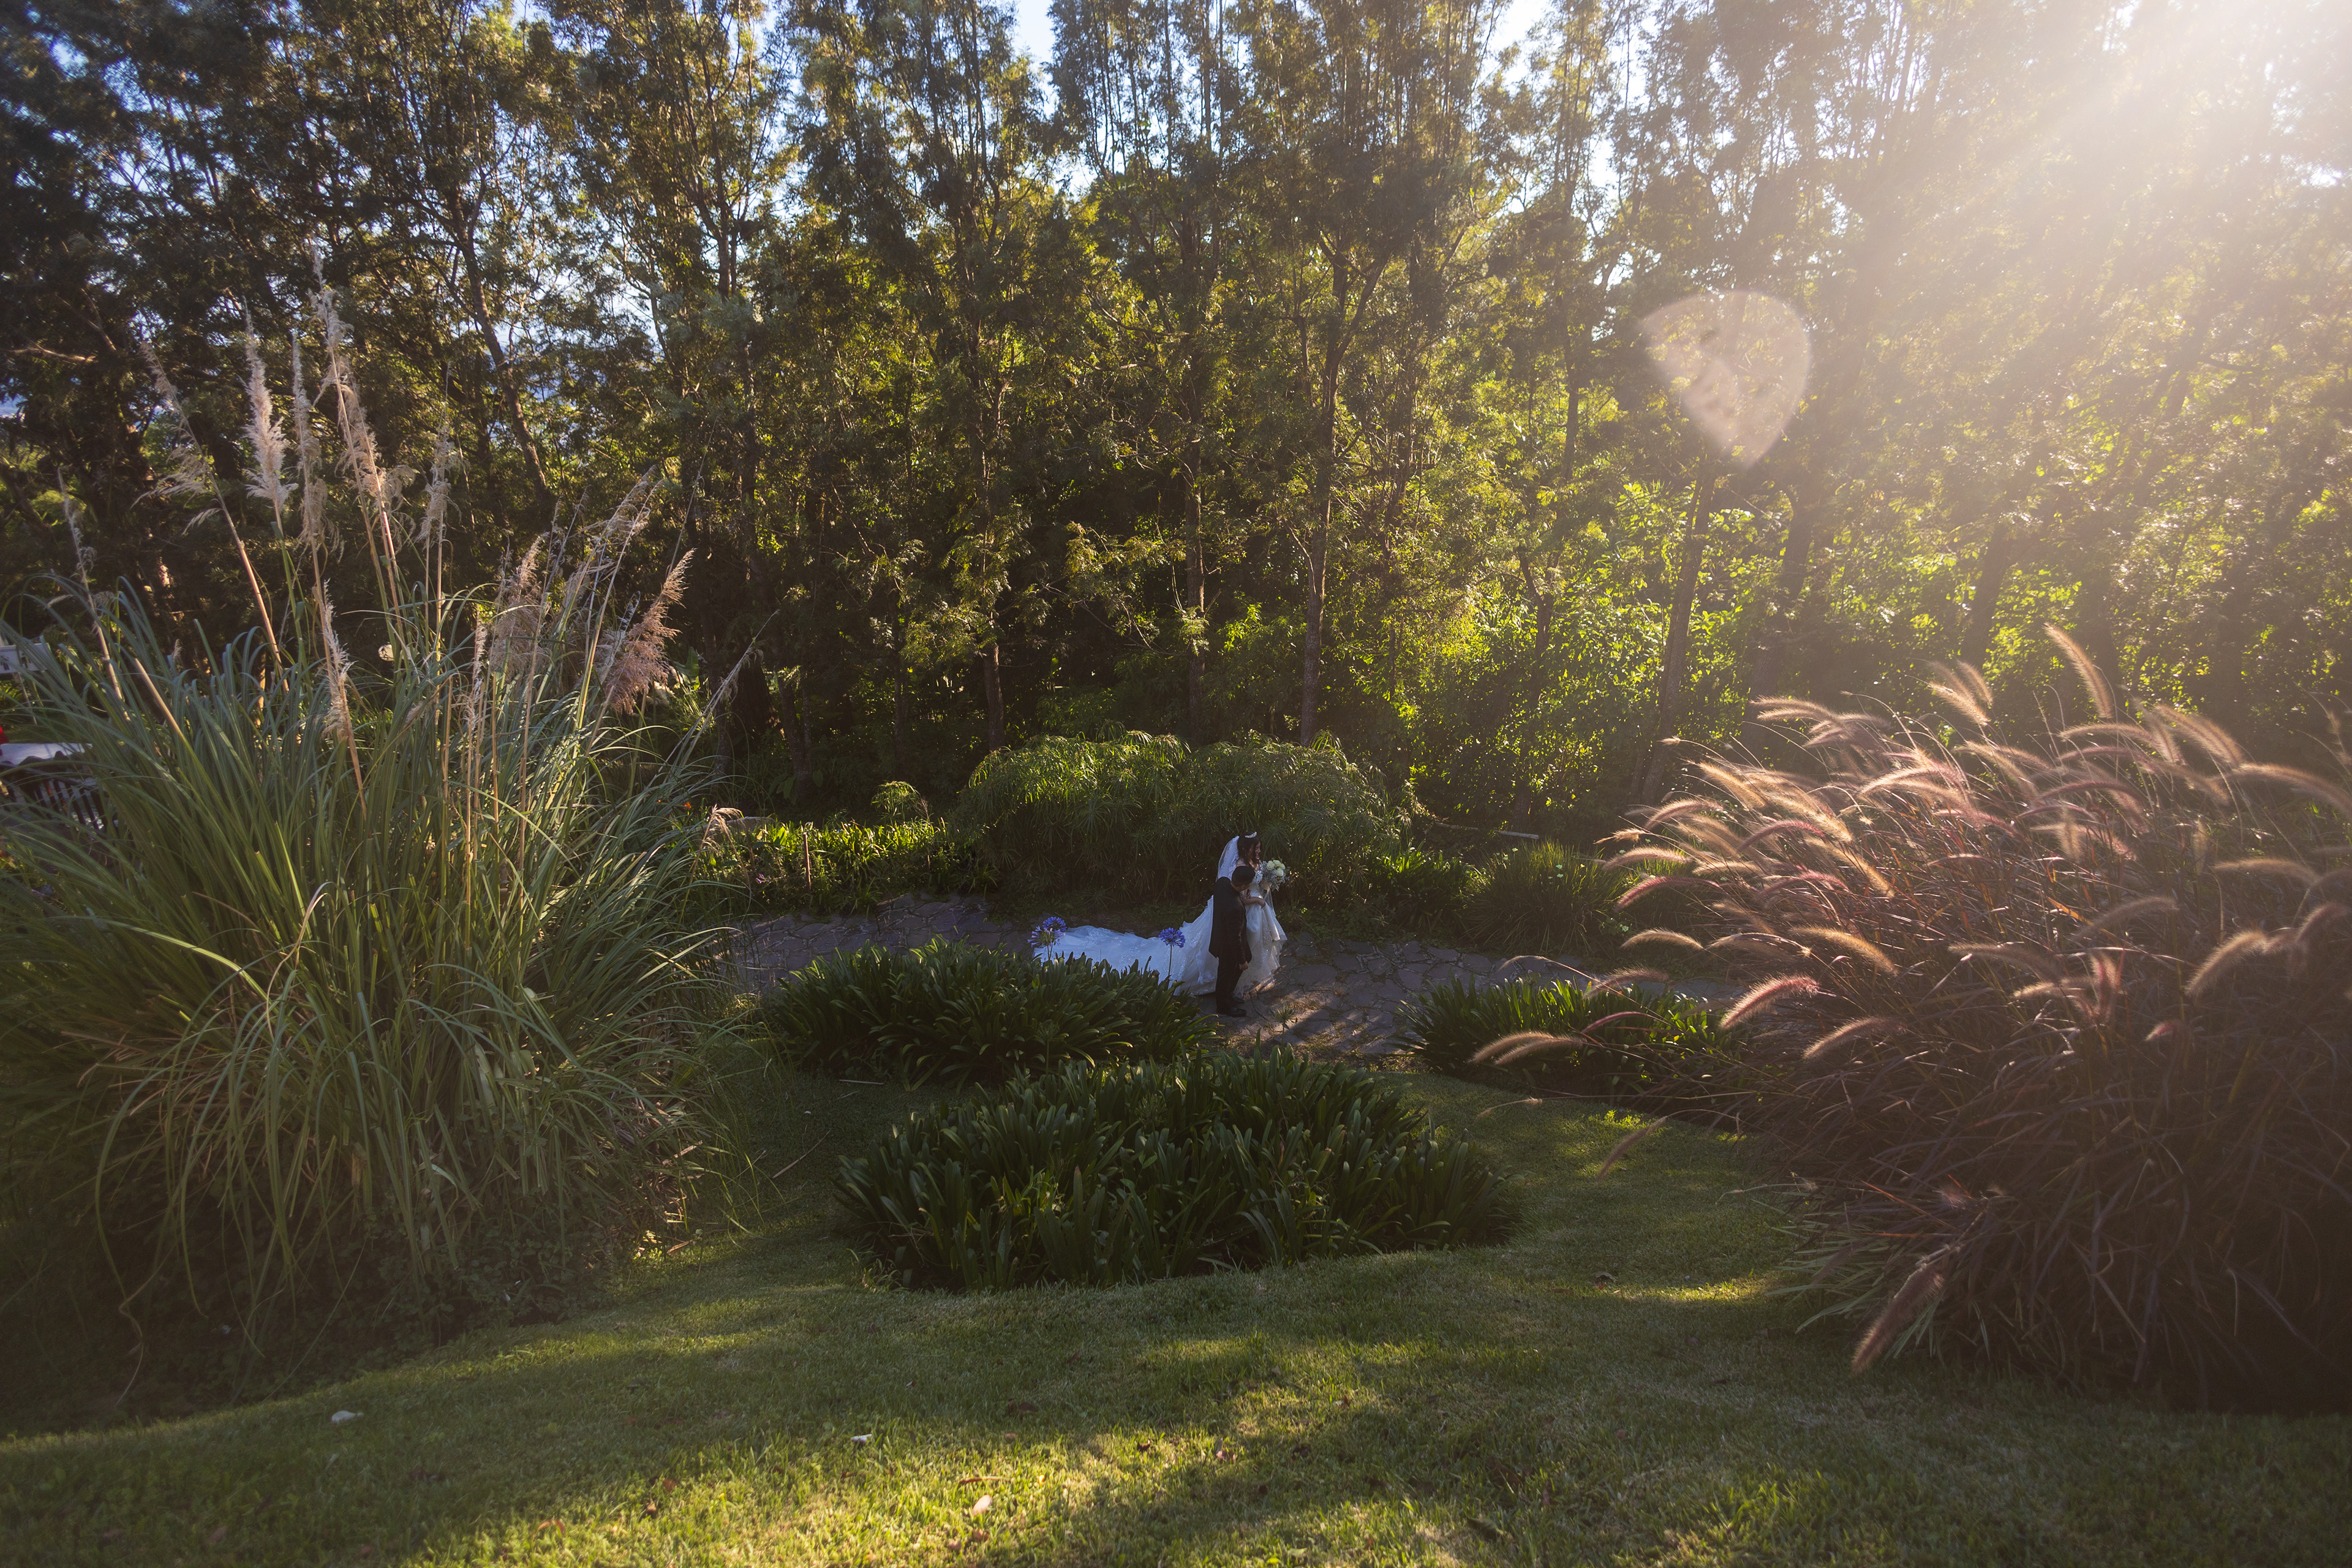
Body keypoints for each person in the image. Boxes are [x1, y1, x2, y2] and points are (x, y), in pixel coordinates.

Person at [1210, 861, 1256, 1016]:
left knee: (1247, 957)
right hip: (1227, 945)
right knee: (1226, 973)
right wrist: (1242, 961)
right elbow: (1234, 939)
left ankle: (1228, 993)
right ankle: (1223, 1006)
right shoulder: (1234, 908)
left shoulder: (1222, 883)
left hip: (1220, 934)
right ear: (1243, 887)